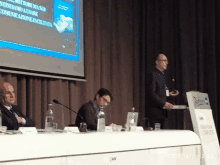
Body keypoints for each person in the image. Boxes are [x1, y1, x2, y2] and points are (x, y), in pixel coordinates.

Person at [146, 54, 179, 129]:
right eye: (164, 60)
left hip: (162, 112)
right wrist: (164, 103)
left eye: (167, 61)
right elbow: (151, 93)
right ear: (157, 62)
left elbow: (159, 92)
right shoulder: (152, 74)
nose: (166, 63)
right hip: (155, 113)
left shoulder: (162, 75)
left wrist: (169, 94)